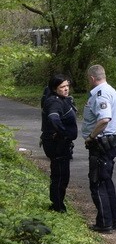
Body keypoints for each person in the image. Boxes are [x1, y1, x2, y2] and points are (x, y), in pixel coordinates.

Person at [82, 64, 116, 233]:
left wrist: (91, 137)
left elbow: (104, 119)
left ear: (92, 78)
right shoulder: (111, 90)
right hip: (109, 142)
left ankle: (104, 222)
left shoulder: (101, 94)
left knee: (97, 183)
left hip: (101, 143)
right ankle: (113, 220)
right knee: (106, 182)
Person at [40, 74, 78, 212]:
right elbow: (53, 117)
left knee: (61, 174)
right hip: (56, 144)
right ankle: (57, 206)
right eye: (62, 87)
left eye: (67, 86)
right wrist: (63, 132)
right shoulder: (54, 102)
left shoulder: (62, 99)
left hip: (61, 143)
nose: (66, 89)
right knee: (60, 175)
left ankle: (57, 203)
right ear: (55, 88)